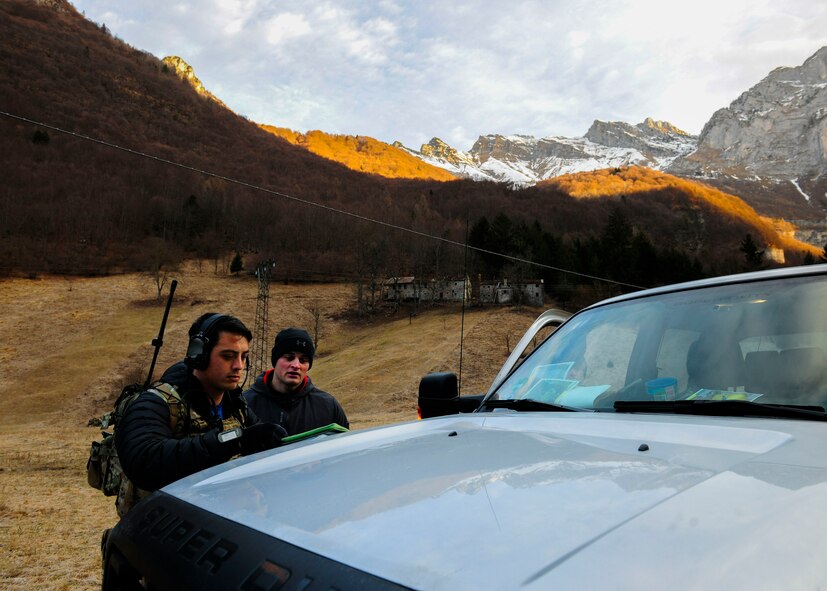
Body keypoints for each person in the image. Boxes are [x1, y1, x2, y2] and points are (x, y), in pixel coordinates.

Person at [114, 313, 286, 517]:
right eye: (228, 356)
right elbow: (144, 460)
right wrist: (235, 440)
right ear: (199, 355)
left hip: (209, 523)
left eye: (244, 357)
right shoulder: (155, 403)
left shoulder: (236, 404)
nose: (239, 366)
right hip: (154, 528)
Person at [244, 327, 349, 435]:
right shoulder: (245, 404)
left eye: (303, 360)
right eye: (289, 358)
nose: (296, 365)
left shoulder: (328, 406)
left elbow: (345, 447)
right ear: (275, 360)